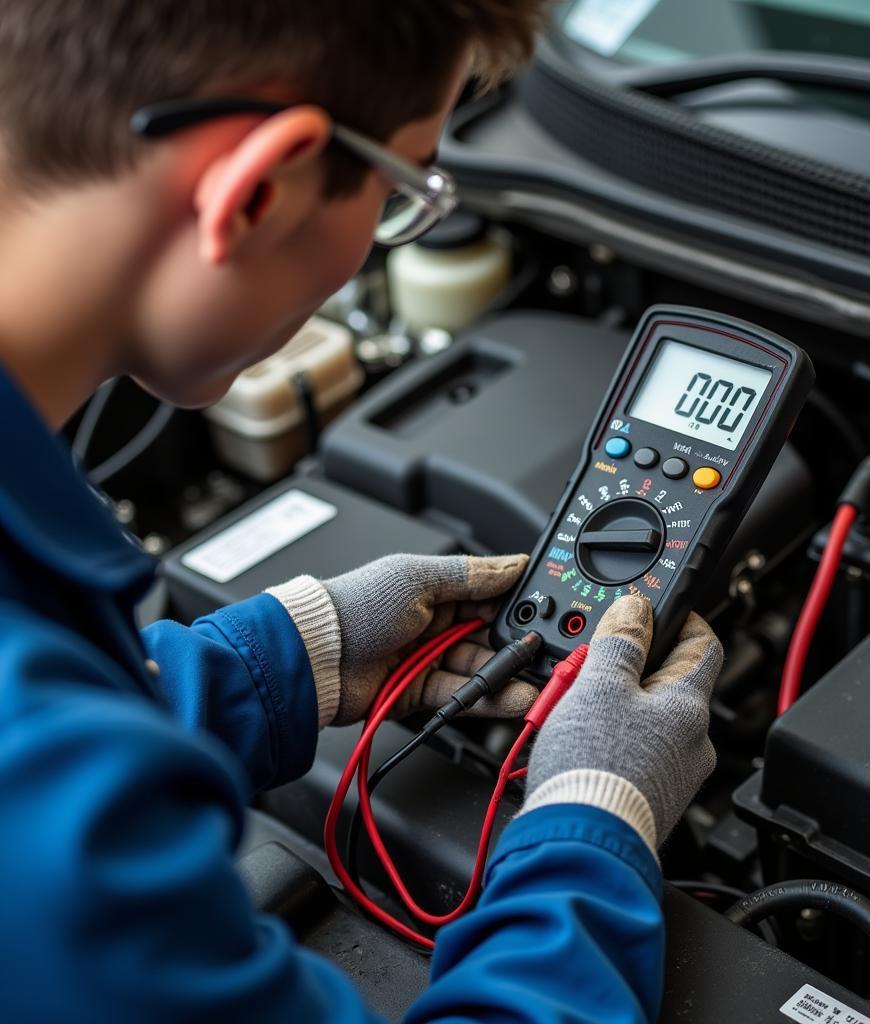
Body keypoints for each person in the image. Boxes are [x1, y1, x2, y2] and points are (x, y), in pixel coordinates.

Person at [0, 3, 723, 1021]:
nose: (390, 229)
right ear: (262, 189)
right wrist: (590, 825)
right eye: (403, 187)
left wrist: (280, 658)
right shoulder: (46, 819)